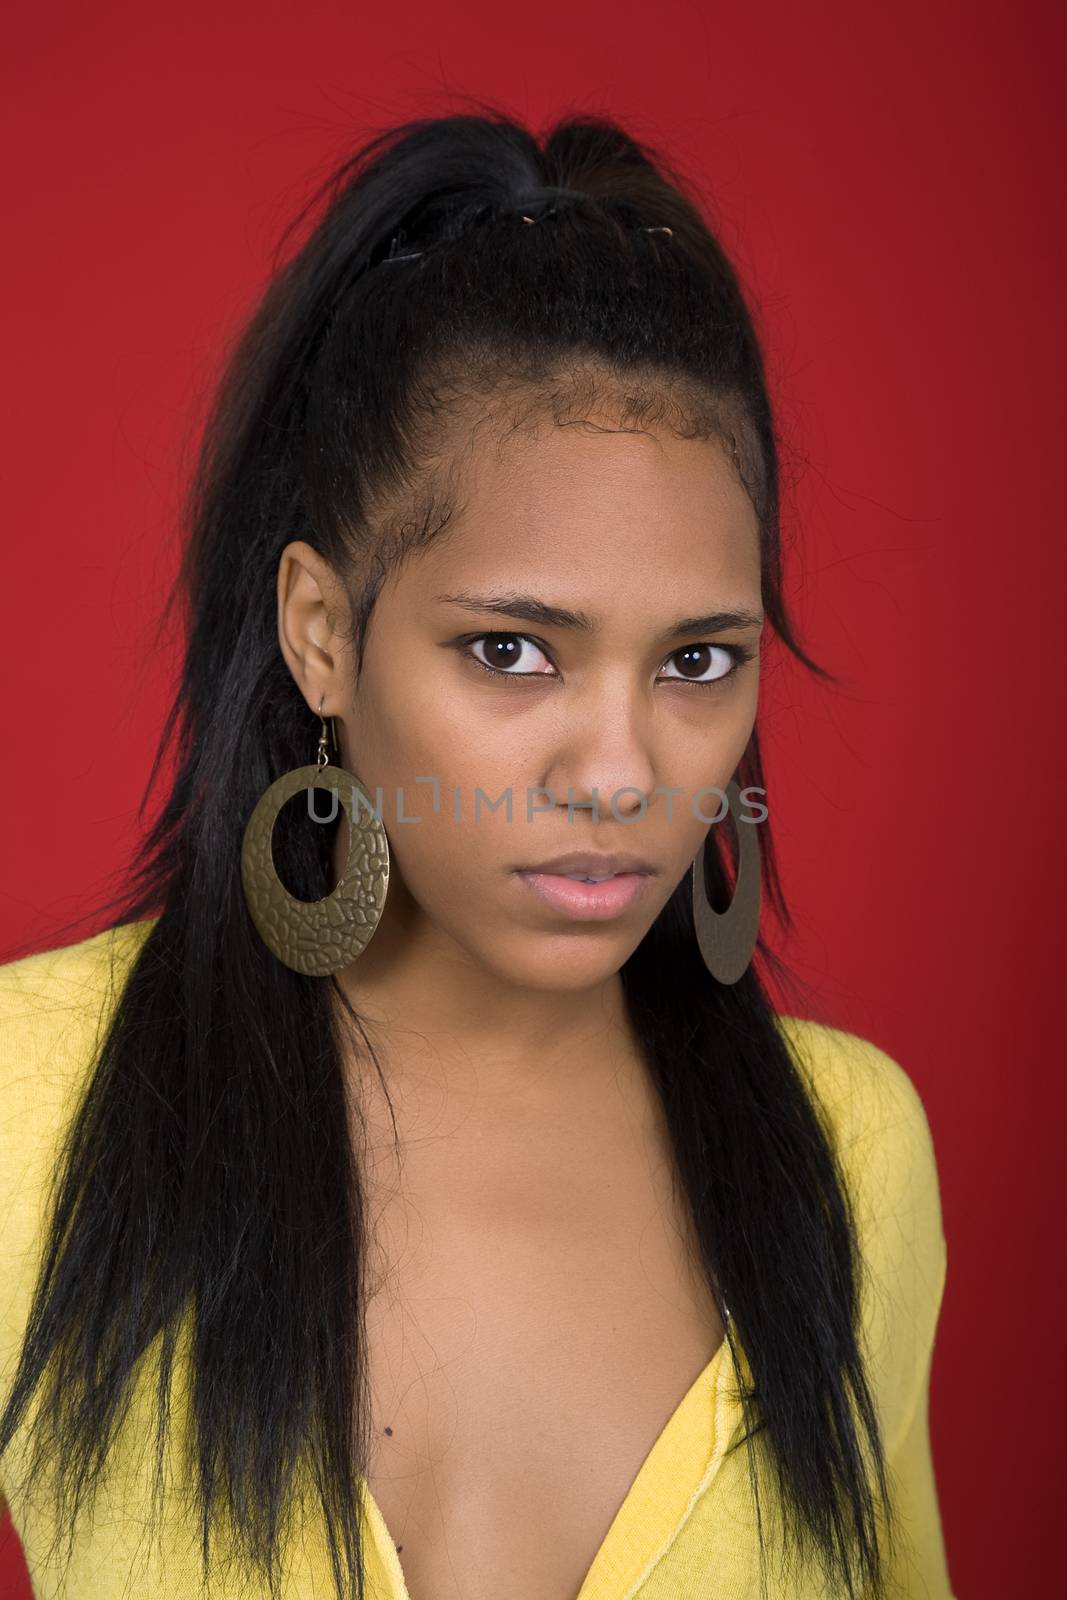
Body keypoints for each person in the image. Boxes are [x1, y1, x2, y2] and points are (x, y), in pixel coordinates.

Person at [0, 106, 955, 1600]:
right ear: (323, 636)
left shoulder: (850, 1159)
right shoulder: (30, 1107)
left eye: (698, 663)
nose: (621, 772)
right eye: (513, 650)